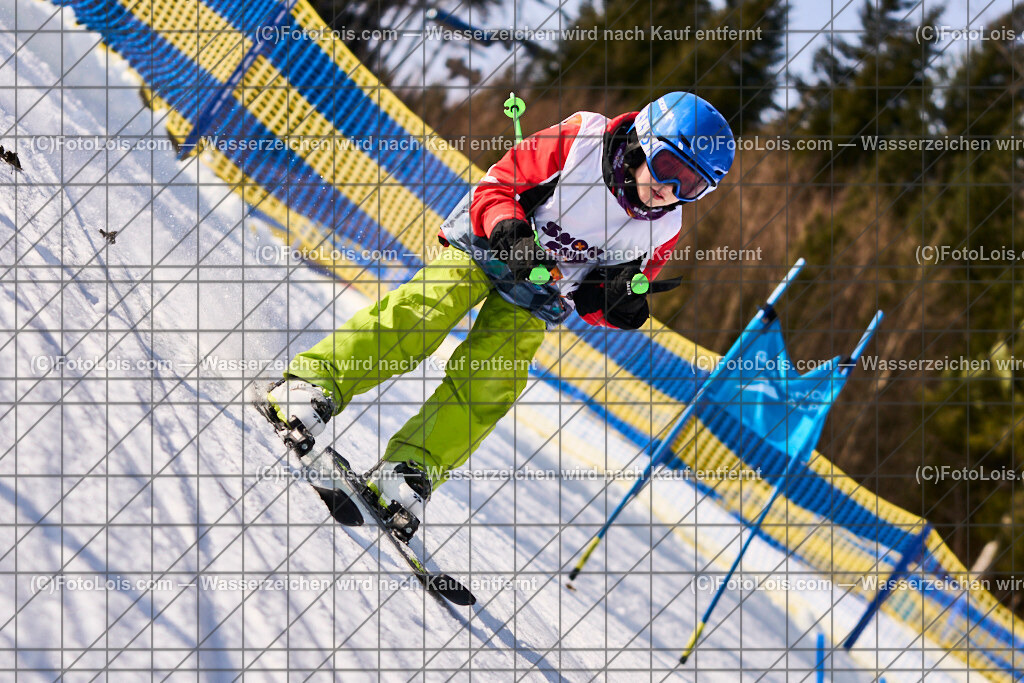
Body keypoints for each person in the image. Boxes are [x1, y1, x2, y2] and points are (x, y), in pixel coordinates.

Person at [255, 91, 735, 541]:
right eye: (669, 167)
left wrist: (615, 303)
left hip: (542, 292)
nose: (670, 190)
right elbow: (499, 185)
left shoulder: (663, 229)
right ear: (643, 142)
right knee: (422, 315)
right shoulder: (581, 140)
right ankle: (313, 386)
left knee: (494, 378)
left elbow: (603, 297)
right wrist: (511, 230)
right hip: (486, 244)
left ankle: (409, 471)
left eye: (691, 186)